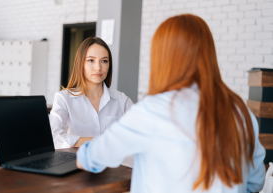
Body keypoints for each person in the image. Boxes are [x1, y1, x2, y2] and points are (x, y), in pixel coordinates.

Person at [76, 14, 266, 193]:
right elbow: (255, 182)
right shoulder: (239, 111)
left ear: (163, 59)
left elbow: (89, 158)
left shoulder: (152, 111)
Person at [50, 37, 133, 149]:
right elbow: (56, 138)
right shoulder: (63, 98)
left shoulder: (122, 100)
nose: (98, 68)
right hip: (75, 163)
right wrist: (100, 141)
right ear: (81, 63)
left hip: (114, 164)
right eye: (91, 60)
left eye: (104, 61)